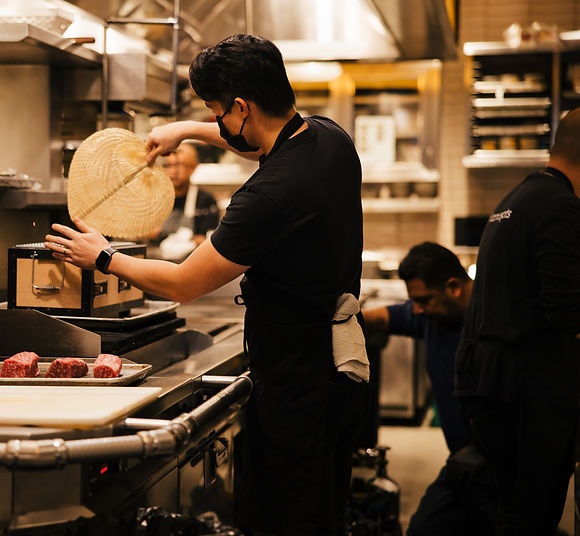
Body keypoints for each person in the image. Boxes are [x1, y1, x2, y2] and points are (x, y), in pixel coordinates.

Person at [46, 34, 368, 536]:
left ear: (241, 106)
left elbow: (182, 283)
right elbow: (258, 139)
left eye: (218, 111)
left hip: (296, 383)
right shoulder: (329, 138)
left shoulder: (267, 196)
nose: (219, 123)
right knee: (323, 511)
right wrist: (189, 130)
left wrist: (104, 256)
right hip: (336, 370)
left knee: (286, 519)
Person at [454, 107, 580, 535]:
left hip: (490, 388)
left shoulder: (516, 200)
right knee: (533, 519)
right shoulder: (561, 208)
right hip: (527, 397)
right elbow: (567, 309)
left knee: (514, 515)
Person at [362, 242, 495, 535]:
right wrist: (342, 322)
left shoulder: (495, 323)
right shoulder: (432, 317)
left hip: (502, 468)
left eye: (424, 300)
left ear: (454, 287)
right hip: (461, 463)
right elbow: (386, 317)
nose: (417, 309)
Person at [147, 142, 220, 261]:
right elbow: (144, 232)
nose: (173, 171)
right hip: (154, 262)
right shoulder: (152, 198)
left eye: (180, 165)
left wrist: (163, 234)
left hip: (191, 265)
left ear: (194, 167)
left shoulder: (205, 201)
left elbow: (207, 241)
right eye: (168, 165)